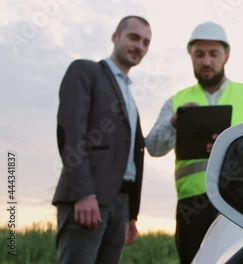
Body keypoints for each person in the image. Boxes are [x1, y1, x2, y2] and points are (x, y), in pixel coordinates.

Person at [145, 21, 243, 264]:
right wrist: (174, 123)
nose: (206, 61)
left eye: (213, 54)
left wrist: (234, 149)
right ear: (190, 57)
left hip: (242, 203)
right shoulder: (176, 102)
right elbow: (152, 146)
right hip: (192, 208)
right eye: (199, 54)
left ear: (227, 56)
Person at [52, 15, 152, 264]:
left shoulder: (129, 94)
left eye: (146, 42)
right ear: (115, 37)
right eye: (133, 37)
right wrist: (83, 194)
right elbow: (70, 131)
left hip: (121, 203)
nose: (139, 46)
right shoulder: (86, 71)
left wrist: (131, 215)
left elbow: (129, 154)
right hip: (88, 199)